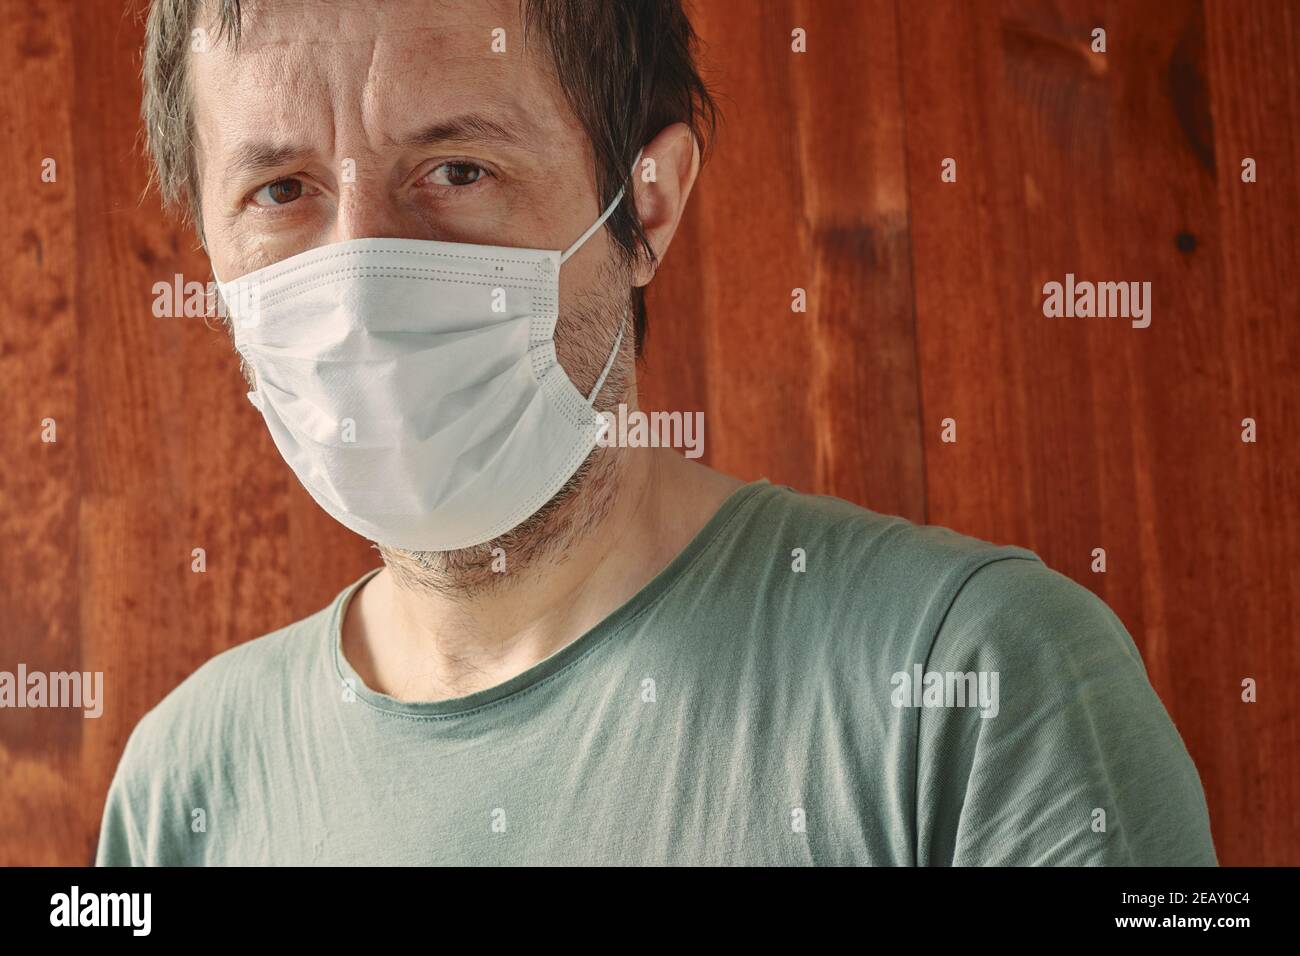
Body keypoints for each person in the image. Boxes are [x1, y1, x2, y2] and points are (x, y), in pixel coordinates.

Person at [96, 0, 1217, 865]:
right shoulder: (181, 786)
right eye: (281, 189)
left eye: (456, 170)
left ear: (647, 204)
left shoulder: (978, 689)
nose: (364, 288)